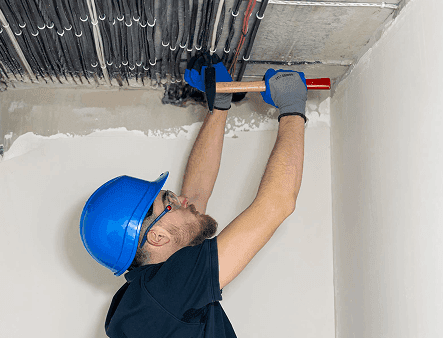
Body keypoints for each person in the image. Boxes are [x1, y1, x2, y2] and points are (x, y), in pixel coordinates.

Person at [79, 53, 308, 338]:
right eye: (170, 203)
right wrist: (293, 108)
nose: (183, 201)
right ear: (157, 237)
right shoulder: (168, 290)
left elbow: (195, 195)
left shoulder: (149, 294)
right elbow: (277, 204)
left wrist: (219, 106)